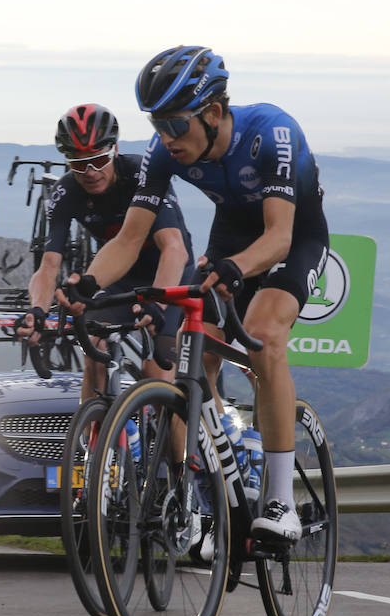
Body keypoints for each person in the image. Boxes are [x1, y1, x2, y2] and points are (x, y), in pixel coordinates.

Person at [60, 46, 329, 546]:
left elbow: (279, 238)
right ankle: (209, 491)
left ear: (213, 112)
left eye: (175, 125)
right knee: (192, 350)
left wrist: (233, 267)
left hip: (293, 238)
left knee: (264, 338)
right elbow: (128, 238)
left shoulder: (272, 133)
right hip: (230, 237)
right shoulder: (165, 154)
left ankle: (280, 502)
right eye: (157, 125)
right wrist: (90, 283)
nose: (165, 138)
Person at [14, 103, 194, 402]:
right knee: (94, 355)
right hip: (120, 277)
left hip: (170, 274)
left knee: (158, 374)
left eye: (98, 160)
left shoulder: (142, 174)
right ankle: (92, 445)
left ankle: (178, 450)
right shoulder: (66, 192)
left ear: (115, 150)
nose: (90, 172)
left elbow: (174, 248)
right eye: (78, 163)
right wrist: (37, 311)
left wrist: (159, 305)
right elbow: (48, 265)